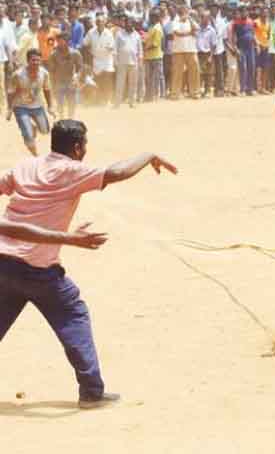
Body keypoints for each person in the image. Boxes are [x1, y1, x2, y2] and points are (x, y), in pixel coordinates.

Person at [0, 119, 177, 409]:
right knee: (73, 314)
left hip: (3, 263)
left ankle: (93, 390)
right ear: (79, 147)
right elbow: (118, 171)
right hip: (38, 268)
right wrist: (148, 155)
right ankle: (92, 391)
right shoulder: (73, 171)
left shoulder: (25, 166)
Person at [6, 49, 55, 156]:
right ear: (28, 61)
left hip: (37, 106)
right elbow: (10, 92)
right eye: (33, 60)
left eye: (38, 60)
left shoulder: (44, 74)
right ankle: (36, 155)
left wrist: (50, 106)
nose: (36, 62)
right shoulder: (18, 75)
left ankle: (33, 128)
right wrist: (9, 109)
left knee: (45, 130)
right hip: (20, 107)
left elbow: (47, 89)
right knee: (27, 133)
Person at [49, 31, 83, 120]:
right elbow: (51, 71)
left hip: (71, 81)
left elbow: (80, 68)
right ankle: (61, 120)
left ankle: (71, 119)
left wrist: (77, 76)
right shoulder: (54, 54)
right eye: (58, 40)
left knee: (72, 103)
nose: (59, 42)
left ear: (67, 41)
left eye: (61, 40)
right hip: (59, 82)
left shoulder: (75, 53)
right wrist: (52, 84)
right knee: (60, 104)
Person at [114, 15, 142, 108]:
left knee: (133, 84)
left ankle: (132, 102)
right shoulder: (119, 34)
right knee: (120, 83)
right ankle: (117, 103)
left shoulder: (137, 35)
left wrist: (140, 60)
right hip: (122, 62)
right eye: (127, 23)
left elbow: (140, 50)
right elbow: (115, 49)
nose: (129, 24)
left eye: (131, 23)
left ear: (133, 24)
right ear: (125, 23)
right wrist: (115, 61)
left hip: (134, 63)